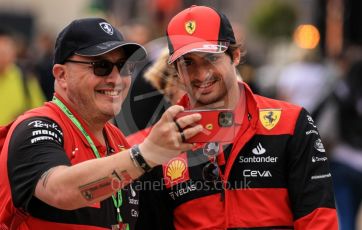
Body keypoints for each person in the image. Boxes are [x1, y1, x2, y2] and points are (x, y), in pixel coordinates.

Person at [136, 5, 338, 229]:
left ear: (235, 55)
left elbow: (319, 219)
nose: (201, 74)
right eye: (188, 63)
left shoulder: (291, 123)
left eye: (211, 58)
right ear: (177, 71)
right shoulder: (164, 141)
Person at [0, 18, 203, 230]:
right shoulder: (36, 127)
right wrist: (145, 155)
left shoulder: (119, 142)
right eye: (101, 66)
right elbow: (59, 191)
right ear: (62, 76)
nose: (116, 79)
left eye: (125, 66)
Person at [0, 26, 45, 125]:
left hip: (11, 139)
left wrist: (24, 118)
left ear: (14, 52)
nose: (2, 54)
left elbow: (39, 114)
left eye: (5, 49)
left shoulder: (25, 79)